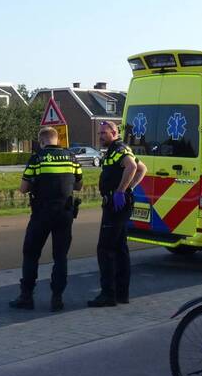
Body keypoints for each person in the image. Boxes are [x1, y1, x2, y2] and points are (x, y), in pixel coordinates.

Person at [9, 127, 83, 312]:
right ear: (57, 140)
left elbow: (24, 188)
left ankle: (26, 297)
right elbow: (79, 185)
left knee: (31, 253)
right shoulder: (71, 157)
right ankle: (57, 298)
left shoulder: (38, 158)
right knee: (60, 256)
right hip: (65, 213)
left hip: (42, 213)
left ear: (41, 141)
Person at [88, 121, 147, 307]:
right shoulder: (115, 149)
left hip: (115, 206)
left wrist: (122, 191)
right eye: (99, 133)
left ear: (114, 133)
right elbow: (143, 168)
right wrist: (129, 188)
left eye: (104, 133)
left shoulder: (119, 148)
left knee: (105, 249)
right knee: (120, 249)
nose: (100, 136)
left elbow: (133, 167)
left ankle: (108, 295)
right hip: (117, 203)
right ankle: (122, 294)